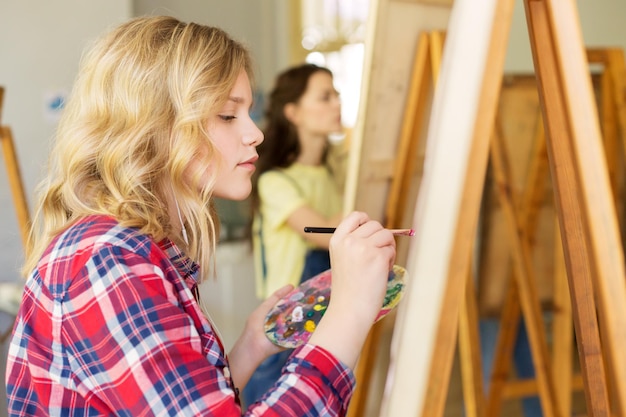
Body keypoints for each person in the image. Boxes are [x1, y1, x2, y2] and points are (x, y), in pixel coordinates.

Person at [4, 16, 396, 416]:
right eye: (228, 115)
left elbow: (194, 403)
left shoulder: (138, 251)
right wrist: (349, 312)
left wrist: (250, 347)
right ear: (155, 128)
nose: (254, 133)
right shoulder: (108, 262)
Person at [244, 63, 345, 406]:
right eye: (324, 97)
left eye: (337, 95)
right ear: (294, 112)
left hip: (326, 311)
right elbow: (322, 232)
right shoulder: (276, 182)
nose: (337, 104)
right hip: (288, 318)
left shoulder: (332, 174)